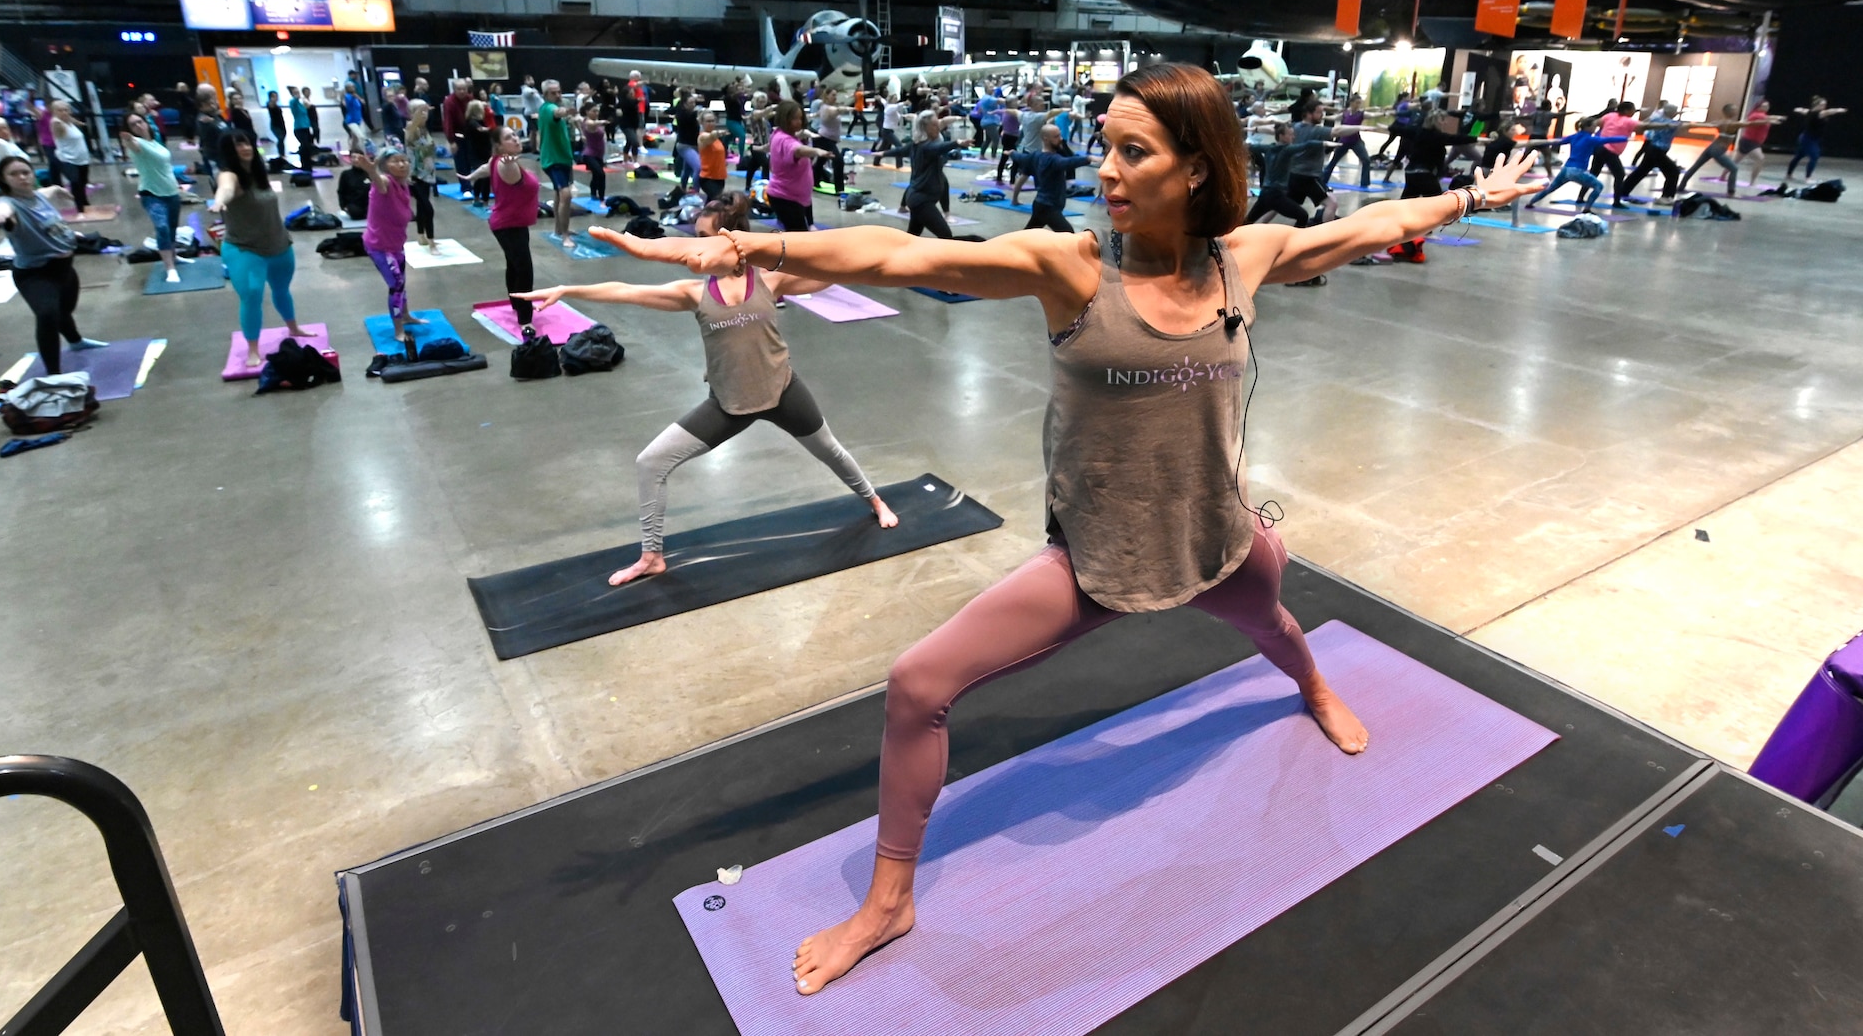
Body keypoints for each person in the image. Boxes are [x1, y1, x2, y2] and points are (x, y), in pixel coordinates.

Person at [589, 62, 1542, 997]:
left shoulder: (1242, 259)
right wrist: (758, 248)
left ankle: (1317, 688)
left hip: (1215, 538)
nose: (1107, 171)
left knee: (1274, 625)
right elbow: (899, 253)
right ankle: (887, 903)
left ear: (1197, 166)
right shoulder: (1071, 267)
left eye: (1134, 151)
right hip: (1093, 558)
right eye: (1105, 148)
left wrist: (1469, 196)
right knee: (918, 682)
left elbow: (1374, 223)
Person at [522, 189, 896, 588]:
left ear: (730, 242)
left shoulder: (772, 279)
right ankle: (651, 556)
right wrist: (568, 291)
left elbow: (837, 270)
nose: (692, 248)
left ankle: (874, 499)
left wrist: (882, 258)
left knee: (831, 451)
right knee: (650, 462)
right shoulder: (693, 292)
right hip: (728, 404)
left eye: (702, 238)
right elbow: (627, 291)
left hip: (783, 392)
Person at [0, 156, 108, 374]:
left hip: (65, 268)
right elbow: (3, 210)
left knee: (64, 311)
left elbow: (46, 192)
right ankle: (54, 373)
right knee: (47, 315)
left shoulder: (36, 196)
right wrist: (1, 218)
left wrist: (56, 188)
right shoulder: (8, 202)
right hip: (36, 273)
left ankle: (76, 341)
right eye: (14, 174)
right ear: (3, 180)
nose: (22, 177)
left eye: (25, 172)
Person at [207, 130, 305, 368]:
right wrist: (219, 201)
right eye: (237, 145)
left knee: (282, 290)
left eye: (246, 142)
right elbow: (226, 188)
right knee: (252, 295)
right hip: (245, 248)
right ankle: (253, 349)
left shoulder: (259, 174)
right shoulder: (229, 175)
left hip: (279, 244)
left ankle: (293, 328)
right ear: (229, 152)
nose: (245, 147)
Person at [462, 125, 540, 328]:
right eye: (509, 138)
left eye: (515, 135)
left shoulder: (495, 160)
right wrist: (509, 165)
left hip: (511, 224)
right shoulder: (506, 165)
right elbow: (506, 170)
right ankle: (525, 320)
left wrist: (471, 177)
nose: (515, 139)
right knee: (524, 271)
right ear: (499, 146)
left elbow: (485, 169)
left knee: (514, 266)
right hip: (509, 225)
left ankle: (516, 304)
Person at [1383, 109, 1479, 263]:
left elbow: (1401, 130)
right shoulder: (1436, 135)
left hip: (1412, 172)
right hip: (1423, 173)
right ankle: (1427, 231)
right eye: (1443, 120)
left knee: (1406, 202)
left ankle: (1395, 226)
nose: (1445, 122)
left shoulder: (1418, 131)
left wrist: (1385, 127)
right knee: (1437, 204)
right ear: (1437, 121)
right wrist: (1477, 139)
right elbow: (1455, 139)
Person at [350, 143, 417, 340]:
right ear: (386, 166)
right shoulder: (385, 182)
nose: (402, 164)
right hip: (380, 246)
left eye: (404, 160)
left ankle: (405, 315)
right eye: (396, 161)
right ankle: (398, 330)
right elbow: (378, 180)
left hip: (396, 245)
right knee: (396, 285)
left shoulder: (403, 184)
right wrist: (371, 168)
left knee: (401, 282)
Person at [122, 111, 184, 283]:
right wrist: (128, 138)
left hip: (171, 192)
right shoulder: (137, 144)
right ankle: (169, 268)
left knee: (172, 229)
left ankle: (174, 257)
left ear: (146, 122)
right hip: (151, 194)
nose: (138, 125)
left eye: (139, 121)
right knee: (162, 228)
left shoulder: (155, 143)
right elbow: (133, 144)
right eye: (133, 124)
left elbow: (164, 167)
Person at [1524, 116, 1628, 213]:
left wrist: (1538, 143)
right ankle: (1587, 209)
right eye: (1593, 126)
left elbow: (1557, 142)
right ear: (1588, 127)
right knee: (1599, 186)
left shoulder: (1574, 136)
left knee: (1551, 188)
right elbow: (1607, 140)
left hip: (1566, 169)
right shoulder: (1590, 139)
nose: (1595, 128)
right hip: (1577, 171)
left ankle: (1530, 202)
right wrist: (1625, 138)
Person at [766, 100, 831, 232]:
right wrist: (816, 151)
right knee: (798, 239)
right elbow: (798, 150)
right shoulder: (785, 140)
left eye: (800, 118)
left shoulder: (779, 133)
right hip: (785, 198)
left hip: (791, 197)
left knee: (796, 237)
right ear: (785, 119)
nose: (799, 122)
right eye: (795, 119)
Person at [1022, 122, 1092, 232]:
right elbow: (1068, 162)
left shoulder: (1038, 155)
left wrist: (1011, 153)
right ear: (1046, 139)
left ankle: (1007, 247)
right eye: (1056, 136)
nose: (1060, 139)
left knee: (1027, 234)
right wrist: (1089, 159)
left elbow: (1021, 157)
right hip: (1047, 207)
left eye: (1060, 135)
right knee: (1068, 234)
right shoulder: (1052, 159)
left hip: (1042, 204)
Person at [1615, 102, 1689, 205]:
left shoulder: (1658, 119)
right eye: (1675, 112)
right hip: (1656, 151)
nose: (1677, 113)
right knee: (1673, 172)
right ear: (1671, 112)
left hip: (1653, 149)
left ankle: (1622, 191)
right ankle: (1666, 197)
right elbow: (1691, 125)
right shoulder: (1671, 123)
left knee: (1641, 171)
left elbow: (1645, 122)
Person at [902, 110, 957, 239]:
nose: (937, 127)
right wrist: (957, 143)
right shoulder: (923, 145)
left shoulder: (933, 136)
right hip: (921, 199)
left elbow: (943, 123)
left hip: (921, 196)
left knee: (912, 236)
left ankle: (901, 257)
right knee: (946, 236)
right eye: (934, 125)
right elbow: (937, 148)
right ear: (925, 127)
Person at [537, 80, 576, 243]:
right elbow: (557, 112)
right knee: (565, 195)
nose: (558, 95)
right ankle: (565, 235)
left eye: (559, 92)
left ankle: (559, 229)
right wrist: (566, 111)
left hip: (563, 158)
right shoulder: (547, 108)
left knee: (559, 195)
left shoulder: (551, 108)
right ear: (545, 95)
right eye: (553, 93)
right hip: (553, 160)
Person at [402, 98, 439, 253]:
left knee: (422, 207)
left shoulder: (425, 129)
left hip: (427, 174)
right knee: (428, 209)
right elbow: (414, 123)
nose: (424, 114)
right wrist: (419, 110)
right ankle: (431, 242)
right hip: (415, 176)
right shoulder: (411, 128)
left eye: (425, 111)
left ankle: (421, 235)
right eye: (420, 111)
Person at [1786, 95, 1847, 181]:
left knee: (1799, 156)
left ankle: (1789, 175)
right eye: (1822, 104)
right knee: (1814, 157)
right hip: (1808, 139)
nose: (1824, 106)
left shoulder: (1809, 112)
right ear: (1816, 105)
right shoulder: (1819, 113)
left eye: (1825, 104)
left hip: (1808, 138)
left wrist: (1798, 109)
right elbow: (1829, 112)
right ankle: (1808, 178)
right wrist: (1839, 110)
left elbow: (1801, 110)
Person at [45, 99, 93, 206]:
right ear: (54, 112)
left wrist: (81, 123)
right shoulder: (56, 123)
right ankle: (80, 206)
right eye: (60, 110)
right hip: (68, 159)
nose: (64, 112)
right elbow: (55, 123)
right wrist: (56, 119)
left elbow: (71, 119)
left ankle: (85, 203)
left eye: (66, 110)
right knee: (76, 182)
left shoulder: (69, 122)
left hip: (82, 158)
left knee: (83, 182)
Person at [1320, 93, 1371, 188]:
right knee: (1333, 161)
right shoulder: (1345, 113)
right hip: (1344, 141)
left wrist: (1384, 113)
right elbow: (1334, 118)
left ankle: (1364, 183)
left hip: (1356, 141)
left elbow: (1373, 115)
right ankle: (1323, 180)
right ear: (1351, 103)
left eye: (1360, 103)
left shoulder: (1361, 113)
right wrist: (1322, 117)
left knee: (1366, 160)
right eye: (1357, 103)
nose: (1358, 105)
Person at [1730, 98, 1779, 192]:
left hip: (1751, 141)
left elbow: (1768, 118)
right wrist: (1773, 119)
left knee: (1736, 161)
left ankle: (1723, 176)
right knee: (1760, 159)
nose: (1766, 107)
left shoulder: (1763, 116)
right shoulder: (1756, 115)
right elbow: (1761, 120)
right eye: (1764, 106)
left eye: (1767, 106)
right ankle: (1752, 181)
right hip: (1749, 142)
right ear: (1758, 107)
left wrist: (1774, 118)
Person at [460, 100, 494, 206]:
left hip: (484, 152)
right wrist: (492, 130)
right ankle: (483, 200)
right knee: (484, 176)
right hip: (476, 154)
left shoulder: (480, 120)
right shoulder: (471, 122)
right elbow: (480, 130)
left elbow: (489, 117)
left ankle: (478, 197)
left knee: (481, 176)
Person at [813, 92, 847, 193]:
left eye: (836, 95)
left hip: (830, 139)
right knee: (838, 161)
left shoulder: (830, 107)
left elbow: (821, 114)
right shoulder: (826, 108)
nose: (835, 97)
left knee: (821, 161)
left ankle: (814, 181)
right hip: (823, 138)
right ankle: (839, 189)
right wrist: (841, 109)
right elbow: (832, 112)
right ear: (827, 96)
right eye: (833, 95)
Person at [577, 99, 609, 204]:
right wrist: (602, 122)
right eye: (594, 111)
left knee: (596, 175)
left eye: (597, 111)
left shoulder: (593, 122)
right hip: (589, 155)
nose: (596, 113)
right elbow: (591, 124)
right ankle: (601, 198)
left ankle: (593, 194)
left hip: (599, 154)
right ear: (587, 112)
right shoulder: (588, 122)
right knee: (601, 174)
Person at [696, 110, 729, 201]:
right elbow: (710, 137)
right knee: (719, 201)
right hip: (707, 178)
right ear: (702, 123)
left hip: (720, 177)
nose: (711, 123)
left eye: (712, 121)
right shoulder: (702, 137)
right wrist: (718, 133)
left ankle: (704, 215)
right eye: (708, 121)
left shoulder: (717, 140)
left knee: (712, 204)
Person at [290, 86, 318, 166]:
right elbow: (294, 101)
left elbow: (309, 106)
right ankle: (304, 162)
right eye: (295, 93)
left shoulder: (301, 103)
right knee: (304, 145)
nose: (298, 94)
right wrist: (296, 97)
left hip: (306, 127)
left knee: (307, 145)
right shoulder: (292, 102)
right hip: (299, 128)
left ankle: (308, 160)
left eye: (298, 92)